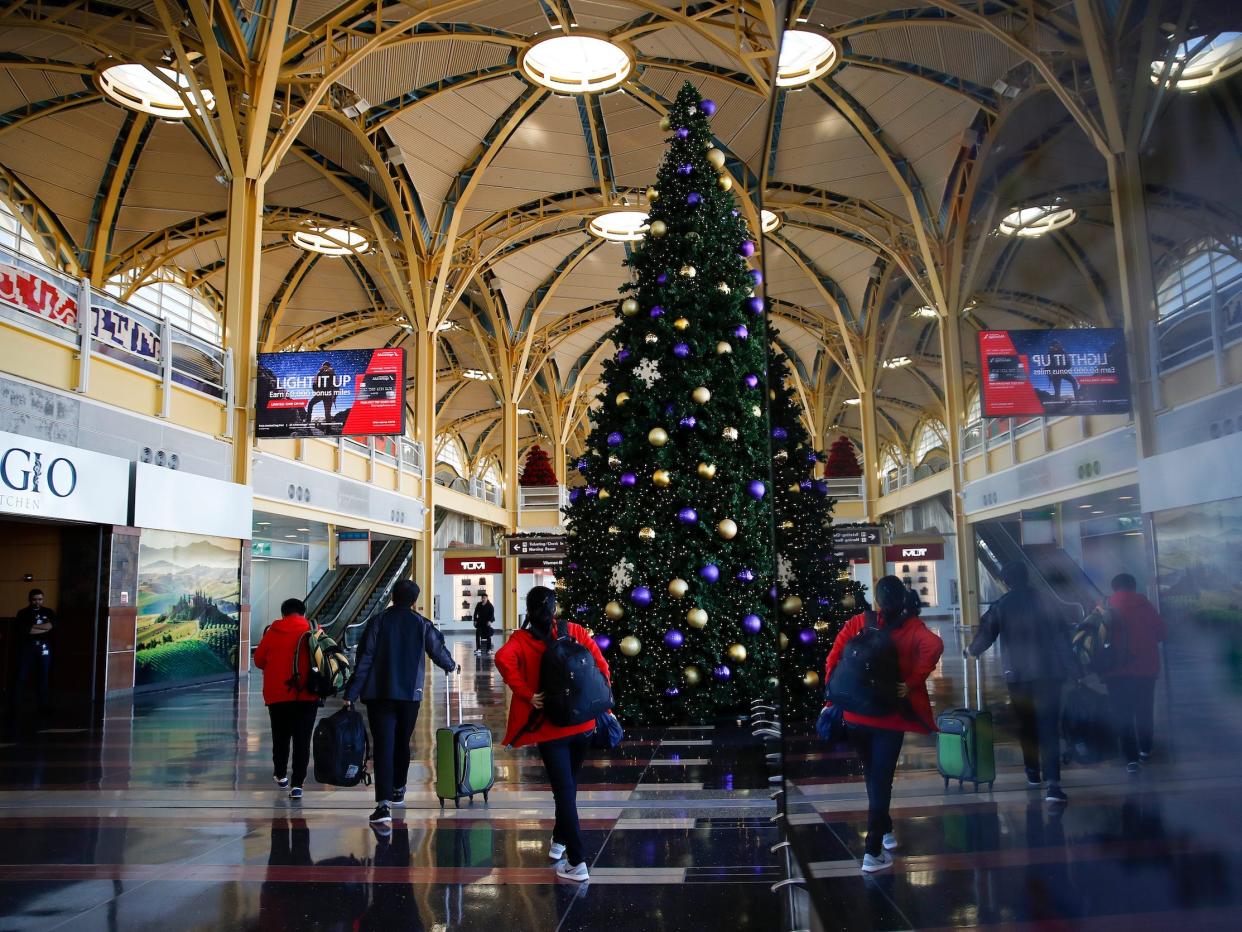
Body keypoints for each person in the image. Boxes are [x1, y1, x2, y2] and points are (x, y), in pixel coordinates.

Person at [824, 575, 943, 873]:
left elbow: (833, 658)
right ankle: (872, 850)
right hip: (889, 718)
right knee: (881, 780)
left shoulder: (858, 622)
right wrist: (913, 681)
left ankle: (886, 829)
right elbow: (935, 646)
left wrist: (834, 697)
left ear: (876, 600)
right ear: (903, 599)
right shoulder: (913, 627)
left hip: (854, 717)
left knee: (872, 775)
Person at [495, 586, 609, 883]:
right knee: (569, 787)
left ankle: (578, 861)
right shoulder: (576, 631)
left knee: (564, 792)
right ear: (555, 608)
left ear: (529, 612)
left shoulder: (521, 640)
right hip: (584, 725)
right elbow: (600, 665)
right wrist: (602, 701)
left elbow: (502, 660)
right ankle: (559, 842)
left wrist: (526, 693)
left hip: (550, 730)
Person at [344, 579, 458, 826]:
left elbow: (365, 658)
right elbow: (437, 649)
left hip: (379, 695)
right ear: (415, 601)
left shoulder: (379, 621)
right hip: (409, 695)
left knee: (384, 745)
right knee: (402, 743)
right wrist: (451, 665)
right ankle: (399, 789)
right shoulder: (421, 623)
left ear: (393, 597)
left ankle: (382, 803)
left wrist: (351, 693)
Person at [968, 560, 1080, 804]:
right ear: (1027, 577)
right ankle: (1053, 784)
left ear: (1006, 582)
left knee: (1026, 724)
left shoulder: (1002, 605)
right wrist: (1075, 669)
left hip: (1018, 676)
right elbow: (1062, 638)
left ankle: (1032, 772)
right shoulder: (1046, 601)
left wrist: (972, 650)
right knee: (1049, 727)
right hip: (1050, 674)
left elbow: (987, 631)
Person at [253, 598, 320, 799]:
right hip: (308, 694)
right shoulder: (314, 630)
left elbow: (258, 660)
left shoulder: (272, 631)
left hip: (278, 694)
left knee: (280, 736)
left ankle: (281, 775)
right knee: (302, 739)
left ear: (283, 614)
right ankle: (297, 784)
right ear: (303, 612)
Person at [1101, 573, 1167, 773]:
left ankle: (1131, 759)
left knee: (1123, 713)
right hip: (1145, 669)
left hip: (1115, 670)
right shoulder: (1145, 605)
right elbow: (1162, 633)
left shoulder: (1105, 605)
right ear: (1134, 586)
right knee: (1144, 709)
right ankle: (1145, 749)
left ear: (1114, 588)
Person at [13, 589, 56, 713]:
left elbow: (51, 626)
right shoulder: (22, 613)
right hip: (27, 647)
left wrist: (34, 627)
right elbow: (26, 630)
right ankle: (16, 705)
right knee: (21, 675)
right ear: (30, 600)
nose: (37, 602)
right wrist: (42, 628)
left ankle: (43, 706)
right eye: (35, 599)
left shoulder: (49, 612)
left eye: (40, 599)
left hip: (44, 647)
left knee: (44, 675)